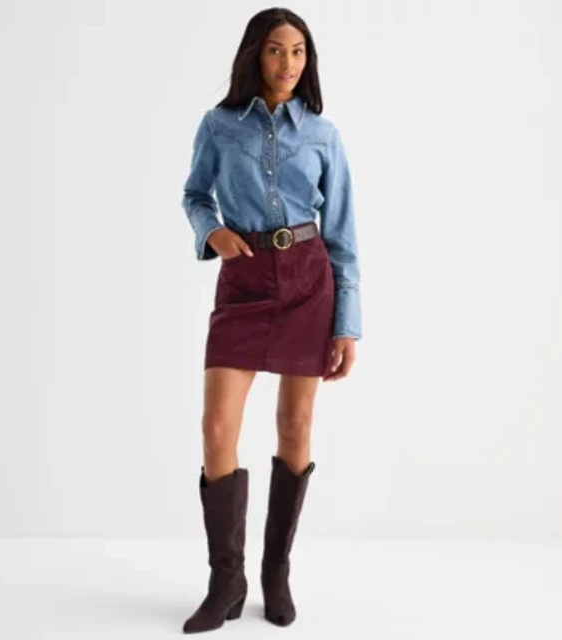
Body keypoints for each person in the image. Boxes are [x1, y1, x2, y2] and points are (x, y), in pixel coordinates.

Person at [180, 7, 362, 634]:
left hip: (310, 279)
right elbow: (194, 194)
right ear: (255, 54)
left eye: (299, 51)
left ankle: (275, 572)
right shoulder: (219, 125)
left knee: (296, 422)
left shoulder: (323, 134)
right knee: (217, 425)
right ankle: (224, 580)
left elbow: (342, 234)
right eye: (277, 50)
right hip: (245, 278)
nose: (288, 63)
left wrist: (347, 323)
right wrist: (213, 232)